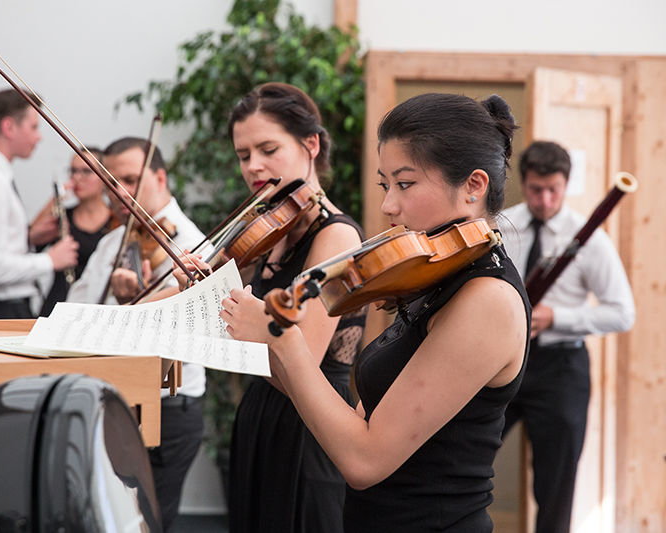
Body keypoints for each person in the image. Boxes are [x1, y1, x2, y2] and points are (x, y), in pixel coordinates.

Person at [214, 92, 530, 531]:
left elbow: (364, 460)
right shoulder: (441, 280)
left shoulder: (488, 299)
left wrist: (282, 339)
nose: (388, 206)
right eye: (386, 185)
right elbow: (357, 422)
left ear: (474, 186)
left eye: (406, 184)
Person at [173, 82, 366, 533]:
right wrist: (183, 292)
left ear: (311, 144)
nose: (253, 166)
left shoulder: (335, 236)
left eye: (268, 149)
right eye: (244, 155)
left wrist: (220, 307)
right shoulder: (270, 234)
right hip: (261, 417)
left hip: (308, 429)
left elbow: (304, 367)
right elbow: (225, 316)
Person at [66, 136, 207, 532]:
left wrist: (133, 303)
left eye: (130, 179)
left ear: (160, 178)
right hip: (110, 398)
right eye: (112, 182)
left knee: (149, 522)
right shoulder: (114, 241)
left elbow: (185, 329)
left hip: (167, 406)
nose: (120, 192)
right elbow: (76, 313)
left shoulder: (193, 245)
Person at [498, 140, 635, 533]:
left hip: (560, 370)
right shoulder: (502, 226)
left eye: (553, 190)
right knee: (464, 454)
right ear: (523, 183)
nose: (544, 200)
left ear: (565, 185)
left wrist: (557, 316)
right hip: (504, 361)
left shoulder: (588, 238)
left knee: (556, 484)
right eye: (536, 189)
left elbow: (623, 312)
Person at [0, 88, 78, 319]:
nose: (39, 136)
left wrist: (28, 238)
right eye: (34, 127)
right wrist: (50, 260)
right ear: (9, 127)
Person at [34, 147, 114, 316]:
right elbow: (30, 238)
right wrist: (57, 197)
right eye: (73, 171)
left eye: (86, 171)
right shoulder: (62, 217)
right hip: (57, 306)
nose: (77, 178)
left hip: (97, 309)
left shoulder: (116, 221)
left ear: (104, 177)